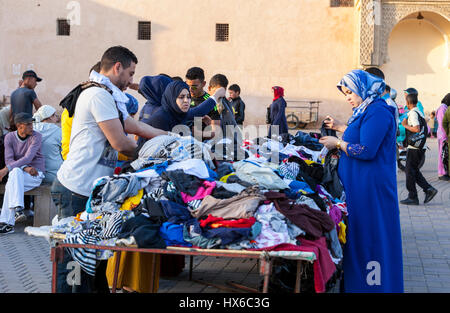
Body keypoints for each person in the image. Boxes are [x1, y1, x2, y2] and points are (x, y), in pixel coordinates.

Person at [319, 69, 403, 292]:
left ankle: (372, 286)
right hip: (359, 186)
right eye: (345, 93)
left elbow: (366, 149)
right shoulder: (365, 109)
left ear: (362, 88)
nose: (347, 97)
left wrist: (337, 144)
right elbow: (361, 134)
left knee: (371, 237)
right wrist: (338, 127)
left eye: (350, 92)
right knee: (360, 236)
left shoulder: (378, 111)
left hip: (370, 188)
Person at [0, 113, 45, 234]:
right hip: (21, 173)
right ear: (19, 126)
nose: (32, 127)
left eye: (32, 123)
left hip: (35, 174)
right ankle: (18, 209)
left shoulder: (37, 137)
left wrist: (5, 170)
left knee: (12, 180)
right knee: (14, 175)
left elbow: (28, 158)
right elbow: (9, 160)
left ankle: (6, 223)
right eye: (28, 124)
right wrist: (24, 168)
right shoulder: (9, 137)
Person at [144, 80, 225, 133]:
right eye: (181, 97)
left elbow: (199, 111)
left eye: (188, 97)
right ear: (172, 98)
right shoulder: (161, 118)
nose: (186, 100)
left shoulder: (179, 113)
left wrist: (217, 94)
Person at [400, 93, 437, 205]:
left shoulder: (412, 113)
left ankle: (413, 197)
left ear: (407, 103)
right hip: (420, 146)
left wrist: (405, 125)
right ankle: (428, 189)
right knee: (413, 170)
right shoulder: (419, 111)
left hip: (415, 147)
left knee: (409, 171)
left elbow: (416, 129)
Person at [33, 105, 63, 184]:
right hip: (55, 174)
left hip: (34, 174)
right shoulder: (58, 131)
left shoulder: (32, 129)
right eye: (55, 115)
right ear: (50, 117)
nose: (57, 117)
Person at [440, 93, 450, 179]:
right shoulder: (443, 108)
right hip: (443, 136)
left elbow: (444, 123)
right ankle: (442, 173)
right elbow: (443, 123)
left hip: (445, 135)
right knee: (443, 154)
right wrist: (446, 135)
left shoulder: (446, 108)